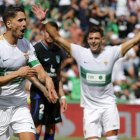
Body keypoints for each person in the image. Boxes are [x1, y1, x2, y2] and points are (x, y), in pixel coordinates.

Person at [32, 4, 140, 140]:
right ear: (87, 40)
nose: (93, 41)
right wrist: (44, 21)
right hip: (90, 109)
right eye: (91, 39)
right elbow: (57, 37)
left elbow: (135, 40)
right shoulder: (80, 53)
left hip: (108, 105)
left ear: (102, 40)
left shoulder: (112, 52)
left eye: (96, 38)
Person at [0, 5, 58, 140]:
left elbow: (39, 70)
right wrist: (16, 74)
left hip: (19, 103)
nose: (25, 24)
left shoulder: (26, 45)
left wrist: (48, 81)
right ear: (9, 24)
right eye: (20, 20)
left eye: (25, 20)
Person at [30, 21, 67, 140]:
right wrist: (43, 89)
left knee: (51, 126)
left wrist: (62, 97)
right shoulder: (36, 49)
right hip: (39, 93)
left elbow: (58, 75)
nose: (50, 35)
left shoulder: (58, 51)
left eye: (53, 33)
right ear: (43, 32)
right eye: (48, 32)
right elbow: (30, 74)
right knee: (37, 126)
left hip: (54, 94)